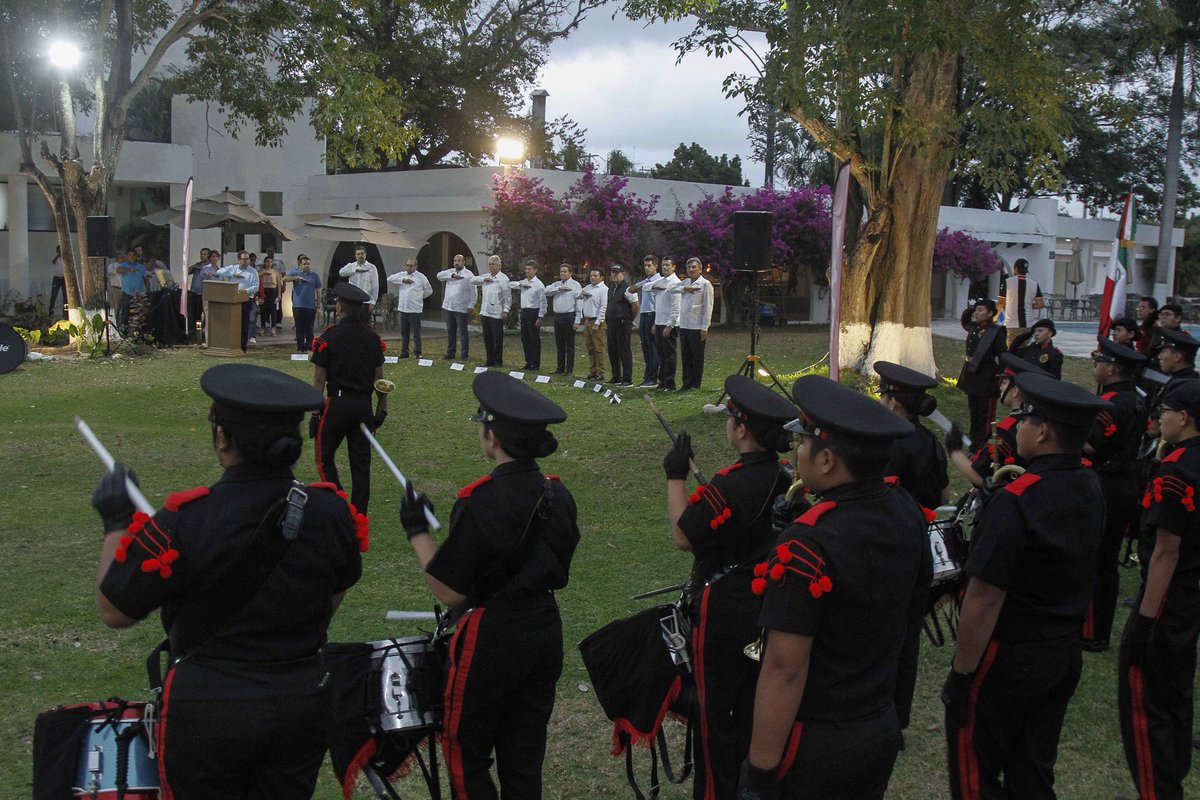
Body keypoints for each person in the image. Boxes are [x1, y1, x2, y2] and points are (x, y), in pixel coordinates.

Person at [92, 362, 364, 798]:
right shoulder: (331, 512)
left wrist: (116, 523)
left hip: (208, 709)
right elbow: (334, 593)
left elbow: (114, 610)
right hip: (300, 699)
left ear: (222, 438)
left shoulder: (187, 520)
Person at [736, 375, 930, 800]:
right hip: (877, 721)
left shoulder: (807, 542)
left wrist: (762, 769)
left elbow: (785, 667)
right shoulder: (906, 509)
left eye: (804, 442)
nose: (797, 451)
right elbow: (912, 619)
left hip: (814, 739)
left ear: (826, 461)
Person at [398, 371, 580, 799]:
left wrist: (416, 531)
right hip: (543, 626)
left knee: (465, 749)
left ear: (493, 437)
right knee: (524, 755)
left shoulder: (480, 500)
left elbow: (449, 591)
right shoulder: (559, 495)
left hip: (492, 635)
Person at [943, 373, 1110, 800]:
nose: (1016, 427)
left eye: (1024, 420)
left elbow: (984, 598)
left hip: (1009, 655)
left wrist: (962, 675)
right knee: (1033, 767)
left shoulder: (1018, 499)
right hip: (1061, 648)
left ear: (1044, 430)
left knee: (975, 773)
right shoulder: (1090, 484)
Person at [665, 375, 795, 800]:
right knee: (754, 709)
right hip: (769, 601)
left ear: (740, 428)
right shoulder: (787, 476)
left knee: (714, 717)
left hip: (724, 611)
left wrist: (674, 476)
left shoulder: (731, 483)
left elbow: (685, 536)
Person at [1119, 378, 1200, 800]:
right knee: (1175, 694)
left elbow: (1166, 551)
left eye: (1164, 412)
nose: (1159, 419)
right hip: (1190, 598)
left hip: (1168, 597)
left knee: (1146, 705)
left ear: (1183, 418)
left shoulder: (1176, 471)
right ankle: (1171, 780)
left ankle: (1158, 789)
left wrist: (1145, 621)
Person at [1081, 338, 1149, 653]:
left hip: (1106, 482)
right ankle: (1098, 629)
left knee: (1097, 560)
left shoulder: (1110, 403)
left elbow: (1093, 445)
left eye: (1099, 361)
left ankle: (1093, 631)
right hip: (1125, 483)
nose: (1095, 365)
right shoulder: (1134, 398)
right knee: (1105, 561)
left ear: (1111, 368)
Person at [311, 282, 386, 514]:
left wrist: (315, 412)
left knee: (324, 458)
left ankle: (338, 501)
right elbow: (379, 379)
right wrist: (382, 408)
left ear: (340, 309)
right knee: (361, 464)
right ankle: (359, 512)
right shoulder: (372, 338)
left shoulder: (329, 337)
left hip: (337, 404)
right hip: (363, 405)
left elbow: (319, 379)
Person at [945, 353, 1049, 488]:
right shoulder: (1042, 421)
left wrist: (955, 450)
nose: (1000, 386)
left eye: (1004, 382)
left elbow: (980, 477)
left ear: (1016, 390)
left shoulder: (1007, 430)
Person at [875, 361, 948, 511]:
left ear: (893, 403)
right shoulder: (930, 440)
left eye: (882, 396)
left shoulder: (887, 444)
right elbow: (944, 496)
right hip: (920, 524)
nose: (879, 401)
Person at [958, 297, 1007, 450]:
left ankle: (983, 444)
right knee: (974, 412)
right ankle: (973, 440)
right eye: (976, 309)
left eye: (981, 310)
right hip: (972, 375)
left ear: (990, 313)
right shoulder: (974, 327)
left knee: (985, 414)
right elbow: (964, 319)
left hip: (986, 376)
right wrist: (973, 308)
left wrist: (999, 377)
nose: (977, 313)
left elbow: (1003, 355)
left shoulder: (995, 331)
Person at [679, 257, 714, 391]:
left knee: (696, 356)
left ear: (700, 269)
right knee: (686, 356)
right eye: (689, 267)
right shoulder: (685, 283)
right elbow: (671, 289)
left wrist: (705, 327)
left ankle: (695, 383)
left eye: (694, 267)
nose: (691, 270)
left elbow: (708, 307)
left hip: (697, 325)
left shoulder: (705, 284)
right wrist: (685, 289)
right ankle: (686, 382)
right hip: (684, 325)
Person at [387, 256, 433, 358]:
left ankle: (418, 352)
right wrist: (403, 280)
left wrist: (419, 297)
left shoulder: (421, 277)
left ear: (416, 266)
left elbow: (429, 291)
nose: (408, 268)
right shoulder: (402, 275)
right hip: (403, 308)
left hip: (415, 309)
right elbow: (389, 278)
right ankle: (404, 352)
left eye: (411, 266)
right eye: (407, 265)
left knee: (416, 332)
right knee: (404, 332)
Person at [215, 251, 260, 352]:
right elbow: (219, 272)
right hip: (233, 301)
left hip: (246, 299)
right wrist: (233, 274)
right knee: (233, 324)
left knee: (244, 324)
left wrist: (247, 291)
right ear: (239, 259)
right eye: (243, 259)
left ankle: (242, 347)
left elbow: (256, 286)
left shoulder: (253, 271)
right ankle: (232, 346)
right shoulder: (233, 268)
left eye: (247, 259)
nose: (245, 261)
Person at [471, 255, 511, 367]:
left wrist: (506, 310)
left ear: (499, 265)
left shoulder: (503, 279)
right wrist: (484, 279)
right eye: (489, 264)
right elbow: (472, 280)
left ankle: (498, 361)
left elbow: (507, 297)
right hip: (485, 312)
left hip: (497, 313)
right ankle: (489, 360)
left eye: (493, 264)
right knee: (487, 338)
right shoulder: (486, 277)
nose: (491, 266)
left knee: (497, 338)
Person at [438, 254, 478, 360]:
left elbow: (473, 291)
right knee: (451, 330)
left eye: (459, 260)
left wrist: (471, 305)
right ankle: (451, 352)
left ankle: (464, 354)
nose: (457, 262)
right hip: (449, 306)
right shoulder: (450, 272)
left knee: (463, 332)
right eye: (455, 260)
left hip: (461, 308)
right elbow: (439, 276)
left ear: (464, 262)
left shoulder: (468, 274)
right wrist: (451, 276)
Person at [653, 257, 683, 392]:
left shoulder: (675, 283)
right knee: (661, 354)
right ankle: (662, 381)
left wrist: (670, 325)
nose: (665, 268)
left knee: (669, 354)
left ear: (674, 267)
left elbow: (676, 307)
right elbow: (658, 305)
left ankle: (670, 383)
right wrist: (655, 322)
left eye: (668, 265)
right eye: (663, 265)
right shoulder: (660, 282)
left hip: (669, 324)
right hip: (659, 322)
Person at [545, 263, 582, 375]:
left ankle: (569, 370)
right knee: (559, 344)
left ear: (570, 273)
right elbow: (546, 291)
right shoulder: (556, 284)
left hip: (569, 316)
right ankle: (560, 368)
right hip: (558, 316)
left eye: (565, 271)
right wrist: (559, 288)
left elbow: (579, 303)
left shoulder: (576, 285)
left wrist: (577, 320)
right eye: (561, 271)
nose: (563, 273)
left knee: (569, 344)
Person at [283, 254, 322, 354]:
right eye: (304, 264)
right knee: (299, 327)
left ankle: (309, 347)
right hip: (298, 305)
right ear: (299, 265)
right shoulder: (295, 273)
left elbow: (318, 291)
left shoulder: (314, 276)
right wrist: (296, 278)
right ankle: (300, 348)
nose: (306, 266)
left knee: (309, 327)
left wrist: (318, 305)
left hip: (310, 306)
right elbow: (284, 279)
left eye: (308, 264)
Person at [606, 264, 636, 386]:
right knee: (612, 350)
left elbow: (635, 305)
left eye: (617, 273)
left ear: (623, 274)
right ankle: (616, 375)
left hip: (623, 323)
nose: (614, 275)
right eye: (612, 272)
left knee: (624, 351)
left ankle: (627, 378)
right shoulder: (611, 288)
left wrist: (629, 318)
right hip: (612, 323)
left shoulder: (627, 288)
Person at [1002, 258, 1044, 347]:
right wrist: (1029, 305)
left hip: (1012, 323)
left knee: (1011, 349)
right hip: (1028, 324)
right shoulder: (1034, 284)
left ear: (1015, 269)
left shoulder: (1007, 282)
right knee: (1023, 349)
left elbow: (1000, 302)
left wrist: (995, 317)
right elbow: (1040, 304)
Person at [514, 258, 547, 371]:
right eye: (526, 269)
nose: (527, 271)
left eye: (529, 269)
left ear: (535, 270)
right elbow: (510, 284)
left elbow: (543, 302)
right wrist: (520, 285)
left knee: (534, 339)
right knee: (525, 338)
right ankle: (528, 361)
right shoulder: (524, 282)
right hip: (524, 312)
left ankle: (535, 363)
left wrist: (540, 316)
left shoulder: (538, 285)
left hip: (534, 312)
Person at [634, 255, 662, 388]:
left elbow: (659, 303)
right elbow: (631, 289)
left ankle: (653, 377)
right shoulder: (645, 281)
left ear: (656, 266)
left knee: (652, 348)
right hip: (644, 315)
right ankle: (647, 375)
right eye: (645, 266)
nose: (646, 268)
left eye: (649, 265)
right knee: (645, 347)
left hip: (653, 314)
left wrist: (656, 322)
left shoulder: (659, 281)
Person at [577, 267, 608, 380]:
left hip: (596, 320)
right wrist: (582, 293)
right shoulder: (589, 287)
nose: (593, 278)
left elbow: (603, 306)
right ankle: (593, 370)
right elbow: (577, 294)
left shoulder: (603, 289)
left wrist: (598, 322)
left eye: (595, 276)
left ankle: (600, 372)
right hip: (588, 319)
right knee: (590, 347)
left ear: (601, 277)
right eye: (591, 276)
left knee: (598, 347)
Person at [115, 248, 147, 334]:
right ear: (127, 256)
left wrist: (147, 290)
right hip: (128, 292)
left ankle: (140, 330)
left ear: (136, 257)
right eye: (130, 255)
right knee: (126, 310)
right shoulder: (123, 265)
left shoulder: (141, 267)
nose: (132, 257)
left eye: (133, 256)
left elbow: (145, 278)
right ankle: (123, 329)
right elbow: (118, 270)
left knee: (140, 312)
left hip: (140, 293)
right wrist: (129, 270)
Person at [339, 245, 379, 311]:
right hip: (352, 301)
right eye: (358, 254)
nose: (360, 256)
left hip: (366, 301)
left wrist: (373, 302)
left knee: (364, 321)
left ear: (365, 254)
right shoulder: (351, 266)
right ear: (355, 255)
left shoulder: (372, 267)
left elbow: (375, 286)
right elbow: (341, 273)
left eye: (362, 254)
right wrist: (355, 270)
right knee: (352, 321)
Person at [186, 247, 214, 336]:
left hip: (206, 294)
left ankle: (206, 333)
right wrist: (193, 266)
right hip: (195, 294)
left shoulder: (210, 266)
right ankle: (197, 332)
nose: (203, 256)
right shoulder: (197, 265)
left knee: (207, 315)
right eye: (202, 254)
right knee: (196, 315)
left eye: (205, 254)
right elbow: (186, 272)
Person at [258, 255, 283, 336]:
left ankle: (273, 328)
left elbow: (279, 284)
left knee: (273, 310)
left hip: (273, 291)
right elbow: (257, 279)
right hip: (264, 290)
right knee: (263, 310)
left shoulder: (276, 272)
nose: (269, 263)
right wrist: (264, 273)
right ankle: (262, 327)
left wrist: (279, 294)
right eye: (267, 262)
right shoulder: (261, 271)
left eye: (270, 262)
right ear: (264, 263)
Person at [49, 245, 65, 318]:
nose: (60, 252)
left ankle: (65, 311)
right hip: (57, 278)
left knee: (65, 296)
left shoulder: (65, 259)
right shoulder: (55, 258)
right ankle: (51, 310)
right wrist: (58, 256)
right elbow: (53, 262)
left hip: (64, 279)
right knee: (54, 295)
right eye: (58, 251)